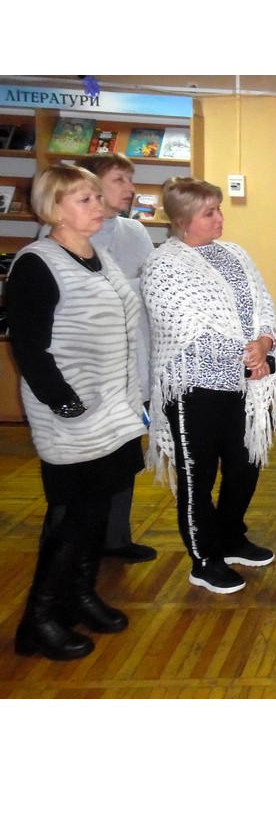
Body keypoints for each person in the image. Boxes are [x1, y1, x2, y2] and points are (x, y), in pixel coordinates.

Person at [7, 165, 146, 660]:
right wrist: (65, 403)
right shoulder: (36, 263)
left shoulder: (97, 255)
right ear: (54, 208)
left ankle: (79, 596)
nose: (98, 206)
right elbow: (28, 347)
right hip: (73, 413)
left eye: (96, 197)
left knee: (97, 512)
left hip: (114, 410)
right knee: (74, 517)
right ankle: (38, 621)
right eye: (85, 199)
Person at [141, 177, 276, 595]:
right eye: (209, 212)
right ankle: (203, 560)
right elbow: (186, 330)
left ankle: (231, 536)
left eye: (219, 209)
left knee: (245, 465)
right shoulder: (163, 264)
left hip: (245, 383)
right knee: (197, 477)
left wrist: (264, 343)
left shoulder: (234, 253)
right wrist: (250, 355)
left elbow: (263, 305)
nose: (220, 218)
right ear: (182, 220)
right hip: (193, 388)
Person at [74, 152, 157, 564]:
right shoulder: (64, 236)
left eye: (131, 179)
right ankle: (80, 546)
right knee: (89, 462)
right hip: (90, 369)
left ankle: (116, 538)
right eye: (120, 180)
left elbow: (150, 295)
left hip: (133, 362)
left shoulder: (135, 231)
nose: (131, 188)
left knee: (126, 455)